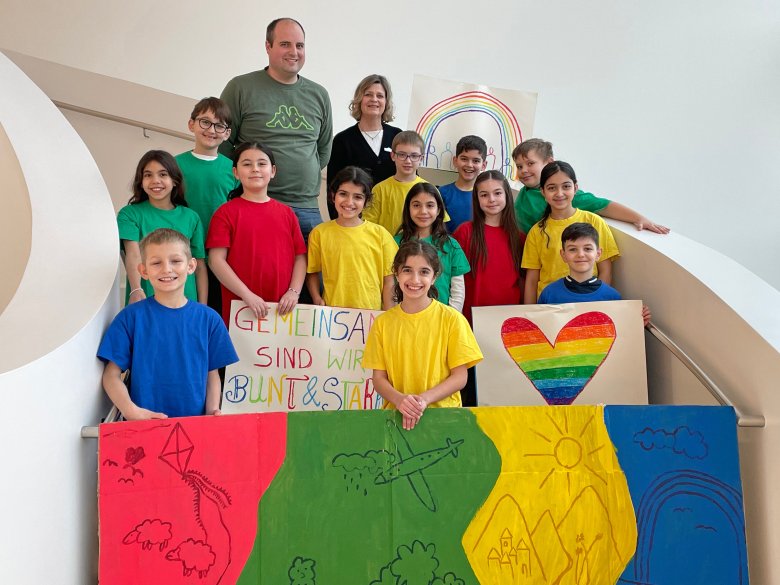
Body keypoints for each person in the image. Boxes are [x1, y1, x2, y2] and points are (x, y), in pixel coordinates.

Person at [97, 228, 238, 420]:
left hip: (195, 426)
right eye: (156, 263)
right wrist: (132, 411)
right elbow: (110, 376)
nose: (166, 269)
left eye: (176, 261)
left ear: (190, 266)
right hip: (145, 426)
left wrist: (211, 411)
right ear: (143, 271)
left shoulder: (209, 319)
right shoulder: (130, 318)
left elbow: (212, 374)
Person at [219, 18, 332, 240]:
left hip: (306, 208)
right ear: (268, 47)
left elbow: (323, 149)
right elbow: (223, 145)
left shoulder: (319, 94)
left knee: (311, 274)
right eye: (285, 44)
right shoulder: (240, 88)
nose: (294, 52)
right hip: (256, 203)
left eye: (299, 45)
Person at [362, 240, 483, 430]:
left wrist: (423, 400)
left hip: (444, 418)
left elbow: (460, 377)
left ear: (434, 277)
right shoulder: (382, 323)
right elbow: (378, 379)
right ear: (397, 273)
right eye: (407, 270)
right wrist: (401, 400)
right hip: (397, 418)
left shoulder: (452, 319)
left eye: (424, 272)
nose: (415, 279)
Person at [206, 142, 307, 324]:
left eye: (262, 163)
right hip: (241, 309)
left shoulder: (287, 213)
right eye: (247, 164)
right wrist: (247, 295)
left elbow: (300, 257)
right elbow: (215, 260)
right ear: (236, 172)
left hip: (282, 310)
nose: (255, 169)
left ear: (273, 171)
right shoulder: (225, 213)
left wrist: (293, 292)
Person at [512, 138, 670, 235]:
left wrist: (639, 218)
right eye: (519, 166)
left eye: (530, 164)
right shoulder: (526, 191)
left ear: (549, 163)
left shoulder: (564, 196)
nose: (523, 170)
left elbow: (603, 205)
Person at [175, 97, 238, 316]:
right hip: (184, 249)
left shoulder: (234, 170)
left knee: (215, 310)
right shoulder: (174, 166)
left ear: (227, 133)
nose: (212, 130)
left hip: (220, 252)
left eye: (219, 125)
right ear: (191, 124)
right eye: (205, 122)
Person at [522, 161, 619, 303]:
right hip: (550, 307)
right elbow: (531, 281)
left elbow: (606, 271)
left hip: (587, 304)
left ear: (575, 188)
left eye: (566, 186)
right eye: (551, 188)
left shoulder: (594, 222)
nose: (559, 193)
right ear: (543, 192)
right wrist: (530, 315)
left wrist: (597, 305)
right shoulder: (537, 231)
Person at [117, 150, 206, 305]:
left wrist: (203, 307)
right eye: (148, 175)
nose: (155, 180)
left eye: (163, 174)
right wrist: (136, 290)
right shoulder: (129, 214)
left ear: (175, 180)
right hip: (145, 297)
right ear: (141, 181)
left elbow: (199, 266)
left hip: (186, 299)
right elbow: (133, 254)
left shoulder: (192, 217)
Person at [306, 166, 397, 310]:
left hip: (370, 314)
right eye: (343, 194)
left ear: (366, 202)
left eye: (357, 197)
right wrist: (317, 298)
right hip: (332, 313)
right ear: (333, 195)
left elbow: (389, 281)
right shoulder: (319, 233)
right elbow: (312, 272)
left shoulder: (381, 235)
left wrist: (388, 313)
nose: (349, 202)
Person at [538, 222, 652, 325]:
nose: (581, 254)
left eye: (587, 249)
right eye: (573, 249)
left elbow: (621, 334)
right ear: (563, 255)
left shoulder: (612, 297)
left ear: (598, 254)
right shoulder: (549, 293)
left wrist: (637, 322)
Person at [453, 170, 525, 324]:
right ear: (476, 199)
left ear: (507, 194)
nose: (491, 199)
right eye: (484, 195)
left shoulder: (519, 238)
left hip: (509, 318)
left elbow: (525, 281)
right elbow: (453, 278)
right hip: (471, 318)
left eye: (497, 193)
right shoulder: (465, 232)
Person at [326, 74, 402, 220]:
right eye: (368, 94)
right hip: (354, 220)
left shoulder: (397, 137)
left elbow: (411, 179)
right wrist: (338, 223)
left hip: (393, 219)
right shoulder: (342, 140)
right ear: (360, 100)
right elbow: (333, 188)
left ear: (386, 102)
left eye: (380, 95)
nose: (374, 99)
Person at [395, 183, 470, 311]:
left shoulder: (451, 245)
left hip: (442, 319)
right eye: (416, 205)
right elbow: (391, 284)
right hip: (405, 316)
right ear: (408, 208)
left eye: (430, 205)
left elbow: (458, 290)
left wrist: (451, 317)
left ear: (439, 210)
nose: (423, 211)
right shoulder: (395, 243)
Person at [362, 131, 427, 234]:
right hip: (384, 247)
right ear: (393, 156)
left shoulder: (429, 190)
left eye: (414, 156)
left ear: (421, 159)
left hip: (417, 248)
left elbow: (436, 225)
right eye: (402, 154)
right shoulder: (379, 189)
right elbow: (368, 225)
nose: (408, 161)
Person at [438, 135, 488, 232]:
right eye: (464, 159)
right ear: (455, 161)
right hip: (447, 246)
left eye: (476, 161)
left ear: (484, 165)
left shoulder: (487, 195)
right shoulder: (442, 193)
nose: (469, 165)